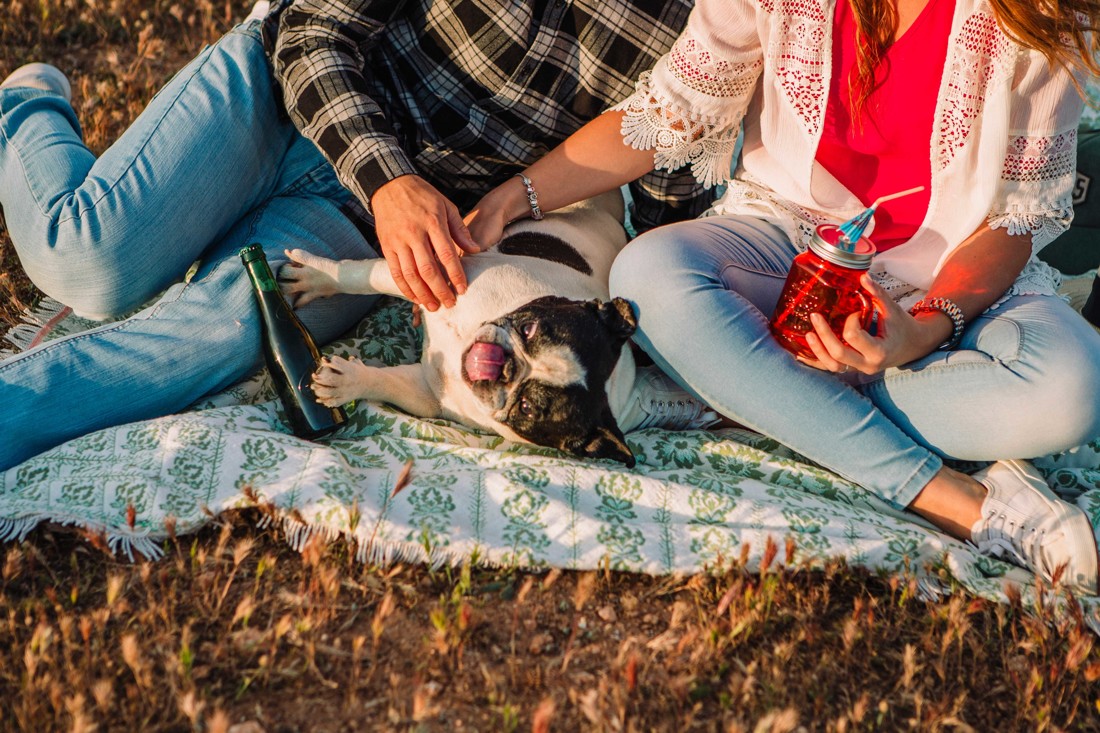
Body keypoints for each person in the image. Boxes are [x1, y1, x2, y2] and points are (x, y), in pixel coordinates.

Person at [465, 0, 1100, 593]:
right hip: (785, 249)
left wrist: (922, 330)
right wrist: (511, 199)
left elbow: (1014, 221)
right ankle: (960, 501)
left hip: (948, 289)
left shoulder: (1039, 16)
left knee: (1072, 390)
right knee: (650, 275)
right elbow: (664, 114)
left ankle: (748, 386)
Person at [0, 0, 715, 471]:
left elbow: (666, 190)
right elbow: (311, 31)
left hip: (362, 233)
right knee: (86, 260)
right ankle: (28, 107)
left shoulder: (701, 25)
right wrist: (388, 181)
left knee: (208, 334)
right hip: (277, 104)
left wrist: (664, 353)